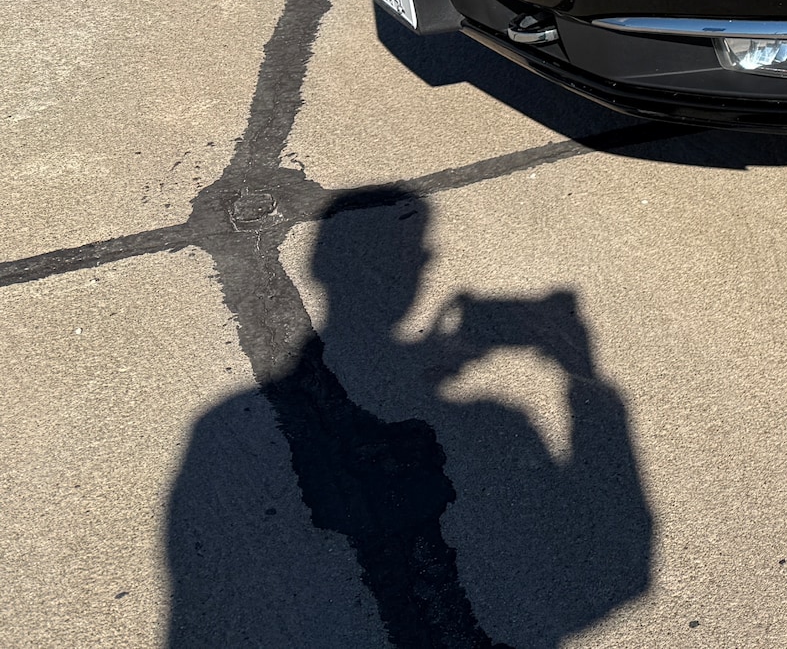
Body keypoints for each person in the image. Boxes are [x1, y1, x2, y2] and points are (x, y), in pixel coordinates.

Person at [164, 189, 651, 648]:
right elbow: (624, 574)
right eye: (419, 252)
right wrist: (583, 374)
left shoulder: (217, 421)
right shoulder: (499, 419)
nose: (428, 260)